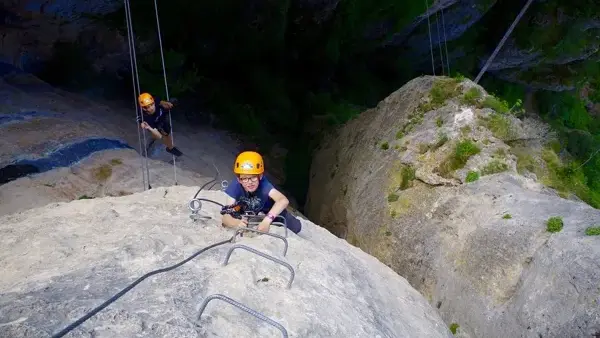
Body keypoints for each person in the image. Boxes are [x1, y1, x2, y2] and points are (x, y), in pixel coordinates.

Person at [221, 151, 302, 234]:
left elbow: (283, 200)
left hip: (267, 207)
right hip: (244, 207)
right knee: (233, 215)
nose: (249, 182)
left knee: (296, 227)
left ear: (260, 176)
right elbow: (226, 216)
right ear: (239, 179)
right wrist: (236, 223)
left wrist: (267, 221)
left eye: (253, 177)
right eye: (244, 178)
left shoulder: (264, 184)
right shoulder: (235, 186)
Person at [136, 92, 183, 157]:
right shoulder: (145, 118)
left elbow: (159, 101)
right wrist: (149, 128)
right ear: (143, 108)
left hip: (160, 115)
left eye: (152, 104)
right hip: (153, 123)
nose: (151, 108)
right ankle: (153, 142)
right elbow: (159, 136)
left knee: (167, 130)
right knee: (158, 135)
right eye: (147, 107)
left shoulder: (154, 100)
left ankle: (170, 148)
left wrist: (166, 103)